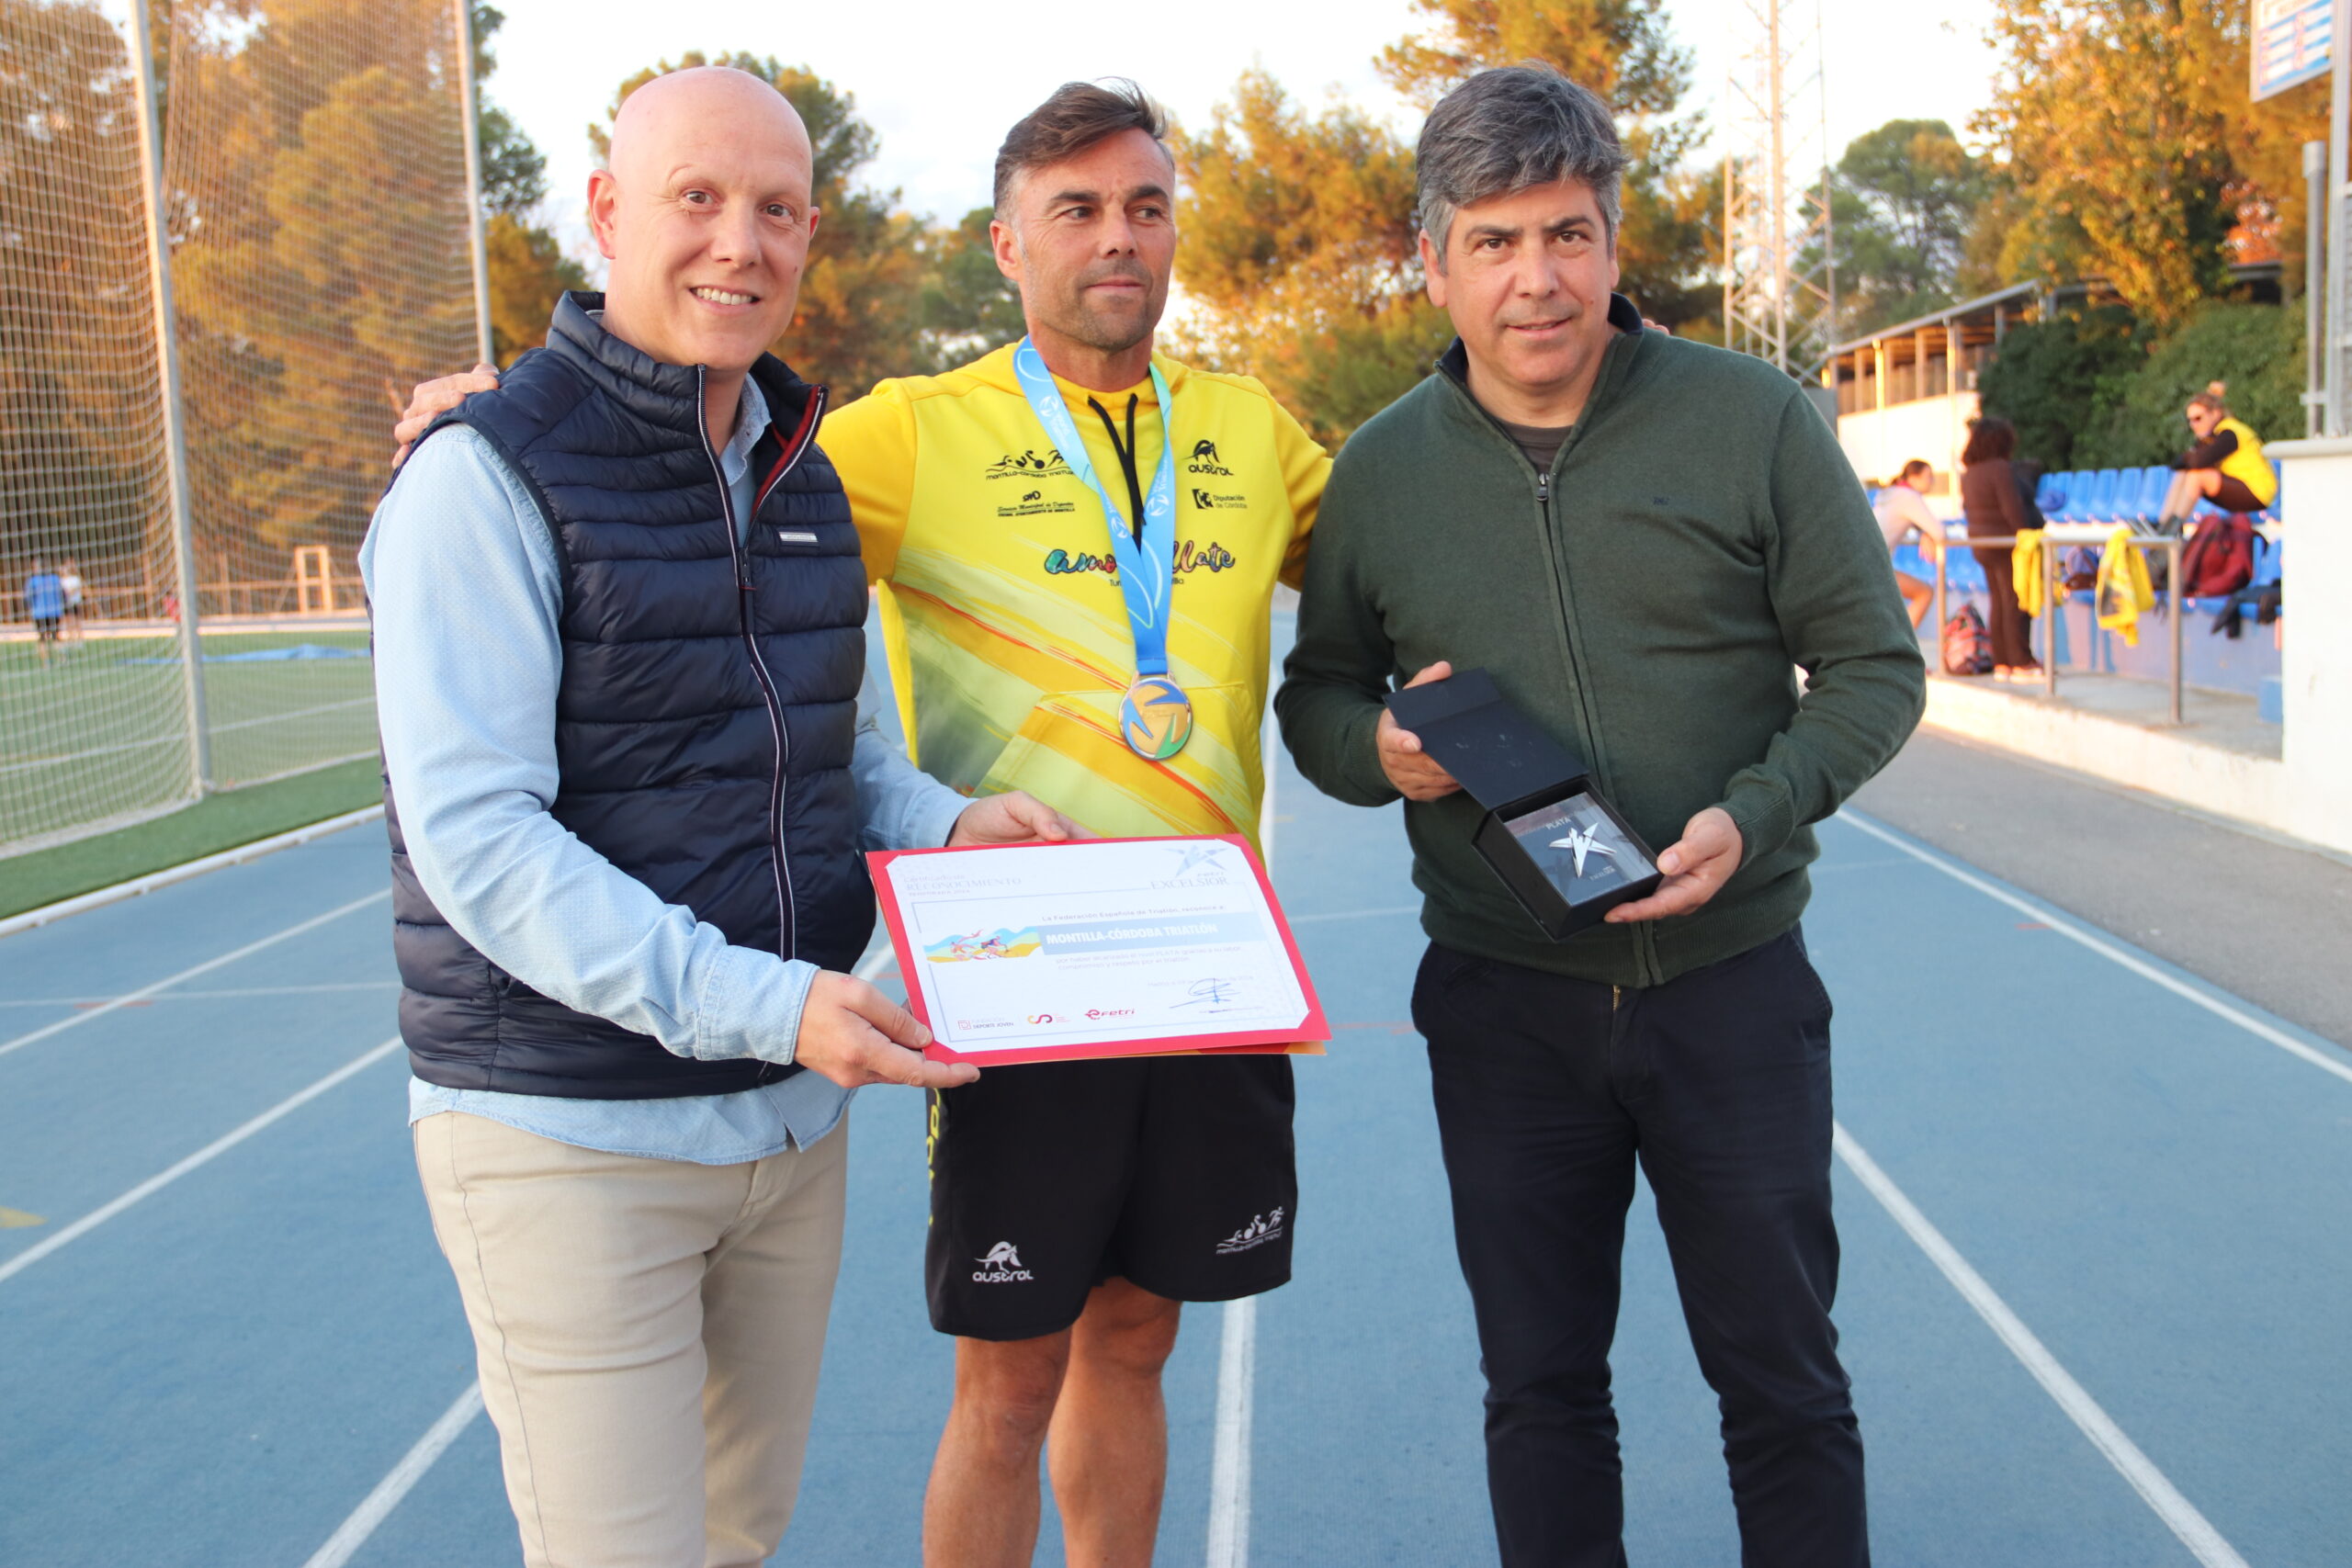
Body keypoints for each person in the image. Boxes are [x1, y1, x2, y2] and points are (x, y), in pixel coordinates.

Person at [393, 79, 1329, 1568]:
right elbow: (632, 423)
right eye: (1076, 209)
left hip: (1165, 986)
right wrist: (495, 403)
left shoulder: (1234, 429)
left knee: (1121, 1347)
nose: (1118, 239)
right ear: (1007, 244)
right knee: (1001, 1377)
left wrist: (955, 822)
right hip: (959, 1002)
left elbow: (1383, 593)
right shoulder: (881, 437)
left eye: (1146, 207)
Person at [1276, 64, 1923, 1568]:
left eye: (1566, 233)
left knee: (1784, 1384)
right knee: (1543, 1388)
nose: (1537, 278)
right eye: (1494, 243)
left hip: (1733, 991)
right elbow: (1316, 704)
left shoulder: (1754, 420)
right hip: (1507, 1010)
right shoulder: (1377, 477)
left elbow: (1877, 669)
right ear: (1435, 264)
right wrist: (1382, 747)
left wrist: (1753, 817)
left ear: (1615, 243)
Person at [1958, 415, 2041, 680]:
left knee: (1998, 600)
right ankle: (2021, 661)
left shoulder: (1970, 473)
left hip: (1981, 544)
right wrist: (2026, 536)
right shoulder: (2000, 468)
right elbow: (2012, 508)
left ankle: (2002, 662)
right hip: (2005, 543)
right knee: (2014, 600)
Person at [2159, 380, 2275, 528]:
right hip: (2237, 487)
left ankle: (2172, 530)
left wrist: (2189, 457)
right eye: (2190, 421)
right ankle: (2163, 526)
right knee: (2183, 473)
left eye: (2198, 418)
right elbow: (2177, 464)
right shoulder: (2211, 436)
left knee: (2197, 475)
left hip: (2258, 493)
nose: (2194, 425)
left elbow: (2197, 461)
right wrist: (2189, 458)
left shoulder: (2229, 433)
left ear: (2215, 414)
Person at [1871, 458, 1943, 627]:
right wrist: (1929, 533)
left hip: (1866, 563)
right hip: (1874, 566)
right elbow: (1940, 532)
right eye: (1928, 477)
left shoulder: (1892, 494)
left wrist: (1925, 533)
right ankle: (1905, 646)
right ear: (1914, 478)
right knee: (1924, 593)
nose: (1931, 482)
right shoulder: (1908, 497)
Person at [21, 558, 64, 667]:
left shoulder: (33, 581)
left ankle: (46, 662)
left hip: (39, 613)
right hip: (54, 612)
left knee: (41, 638)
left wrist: (30, 609)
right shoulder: (55, 579)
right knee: (56, 636)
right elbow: (62, 594)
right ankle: (62, 658)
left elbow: (28, 598)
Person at [56, 558, 85, 639]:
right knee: (68, 620)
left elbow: (74, 590)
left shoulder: (75, 579)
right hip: (66, 603)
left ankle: (79, 636)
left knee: (76, 620)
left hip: (74, 602)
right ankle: (70, 635)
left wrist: (68, 593)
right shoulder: (61, 581)